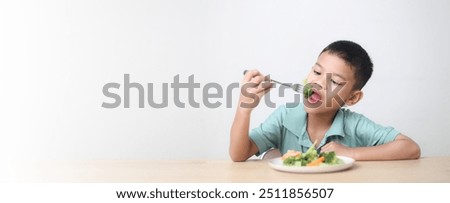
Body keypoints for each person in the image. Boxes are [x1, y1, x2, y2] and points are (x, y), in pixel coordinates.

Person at [229, 40, 421, 162]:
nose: (318, 82)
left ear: (352, 98)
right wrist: (244, 109)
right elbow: (238, 154)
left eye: (335, 82)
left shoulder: (353, 125)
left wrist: (351, 153)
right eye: (317, 72)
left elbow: (410, 148)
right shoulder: (284, 117)